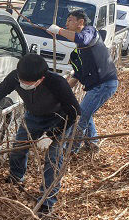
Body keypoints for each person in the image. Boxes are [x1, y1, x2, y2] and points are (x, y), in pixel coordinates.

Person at [0, 54, 80, 220]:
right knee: (19, 146)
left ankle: (46, 202)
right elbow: (2, 90)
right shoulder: (16, 76)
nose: (23, 85)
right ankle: (16, 176)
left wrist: (52, 135)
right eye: (22, 81)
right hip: (33, 117)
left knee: (54, 159)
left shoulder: (57, 83)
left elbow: (75, 113)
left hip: (59, 119)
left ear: (41, 79)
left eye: (28, 84)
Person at [46, 10, 118, 153]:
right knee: (86, 113)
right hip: (96, 86)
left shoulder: (90, 32)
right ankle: (93, 144)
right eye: (66, 21)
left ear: (81, 22)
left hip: (104, 84)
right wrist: (62, 91)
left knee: (81, 115)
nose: (66, 23)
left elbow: (81, 39)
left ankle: (72, 149)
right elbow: (78, 75)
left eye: (70, 20)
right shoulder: (80, 50)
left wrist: (59, 31)